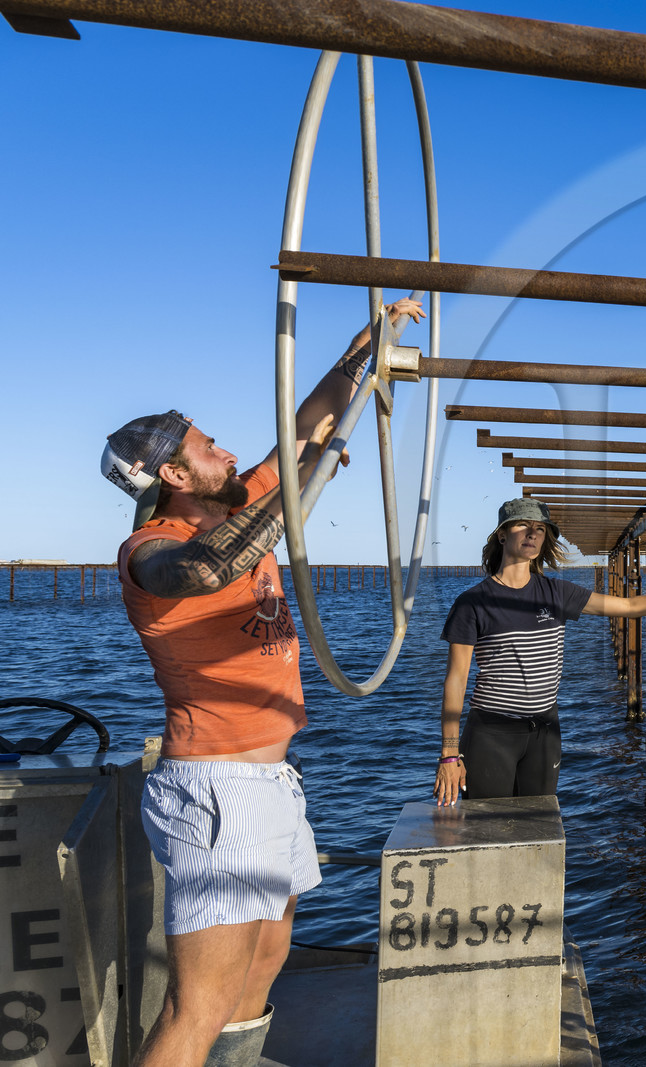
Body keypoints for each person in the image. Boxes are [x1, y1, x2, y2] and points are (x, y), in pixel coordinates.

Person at [103, 299, 424, 1067]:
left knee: (262, 965)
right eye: (208, 447)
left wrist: (371, 342)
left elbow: (313, 410)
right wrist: (302, 481)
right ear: (175, 473)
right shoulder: (152, 545)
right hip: (217, 785)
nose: (227, 452)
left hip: (273, 775)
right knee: (198, 1004)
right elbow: (210, 567)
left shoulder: (240, 499)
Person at [433, 498, 646, 804]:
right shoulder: (473, 603)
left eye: (540, 529)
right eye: (523, 525)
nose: (533, 534)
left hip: (545, 731)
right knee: (487, 828)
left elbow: (630, 607)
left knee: (538, 825)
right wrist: (449, 753)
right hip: (491, 732)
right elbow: (456, 680)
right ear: (502, 534)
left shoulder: (557, 593)